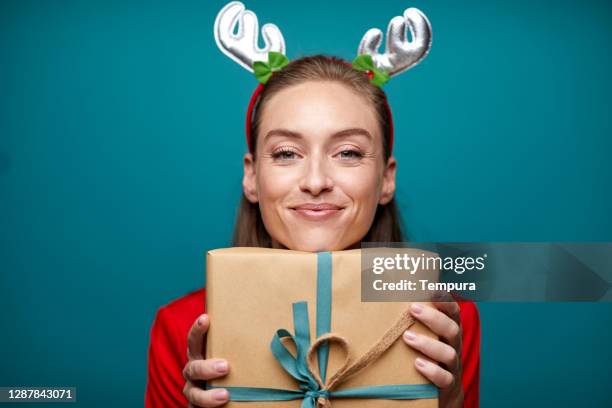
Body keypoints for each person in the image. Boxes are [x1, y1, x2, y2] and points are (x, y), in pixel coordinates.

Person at [147, 4, 480, 407]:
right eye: (287, 153)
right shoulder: (183, 326)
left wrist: (450, 402)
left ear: (386, 179)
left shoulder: (444, 319)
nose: (317, 181)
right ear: (252, 176)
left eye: (349, 153)